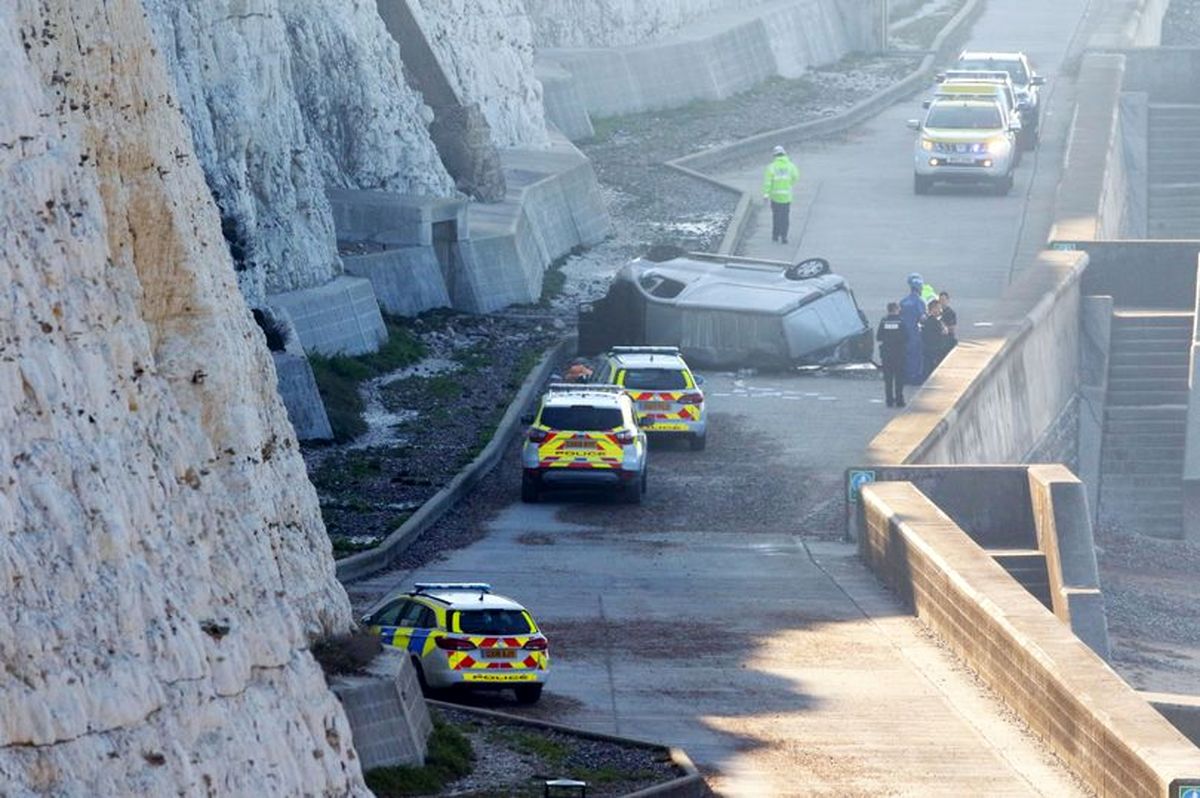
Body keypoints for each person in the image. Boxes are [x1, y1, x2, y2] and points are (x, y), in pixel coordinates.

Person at [762, 145, 800, 244]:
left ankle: (775, 235)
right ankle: (784, 236)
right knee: (785, 217)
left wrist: (766, 194)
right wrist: (789, 184)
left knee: (776, 216)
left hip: (775, 197)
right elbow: (796, 176)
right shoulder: (790, 166)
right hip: (786, 197)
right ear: (784, 154)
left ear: (774, 155)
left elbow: (767, 182)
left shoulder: (771, 167)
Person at [876, 302, 907, 407]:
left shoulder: (884, 321)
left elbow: (879, 337)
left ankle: (889, 400)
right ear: (896, 309)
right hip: (898, 354)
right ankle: (899, 400)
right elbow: (906, 337)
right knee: (899, 378)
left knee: (888, 379)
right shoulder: (901, 322)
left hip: (886, 354)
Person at [899, 272, 927, 385]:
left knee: (905, 354)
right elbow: (922, 319)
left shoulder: (903, 301)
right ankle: (914, 377)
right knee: (916, 355)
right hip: (914, 333)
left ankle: (905, 376)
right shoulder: (919, 302)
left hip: (903, 333)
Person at [921, 299, 951, 378]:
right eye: (938, 308)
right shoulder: (935, 322)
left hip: (927, 349)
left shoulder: (925, 320)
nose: (940, 310)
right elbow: (945, 332)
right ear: (933, 309)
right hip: (934, 350)